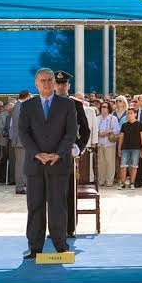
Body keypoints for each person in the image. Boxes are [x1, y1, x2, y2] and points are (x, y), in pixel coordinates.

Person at [19, 68, 78, 259]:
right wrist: (37, 154)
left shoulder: (67, 105)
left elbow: (70, 133)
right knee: (35, 206)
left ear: (55, 83)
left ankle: (61, 246)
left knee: (58, 206)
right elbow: (24, 133)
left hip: (58, 164)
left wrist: (58, 154)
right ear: (36, 84)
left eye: (50, 80)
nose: (46, 84)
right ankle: (35, 247)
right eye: (42, 80)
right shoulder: (27, 106)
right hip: (35, 164)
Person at [54, 71, 91, 238]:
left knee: (68, 192)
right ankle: (54, 228)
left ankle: (69, 228)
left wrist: (78, 147)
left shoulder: (76, 104)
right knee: (52, 192)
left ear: (68, 86)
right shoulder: (47, 103)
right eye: (58, 83)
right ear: (54, 85)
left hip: (68, 153)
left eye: (64, 83)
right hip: (50, 153)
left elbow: (85, 130)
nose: (61, 86)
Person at [117, 107, 142, 189]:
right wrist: (119, 149)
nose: (129, 115)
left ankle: (132, 183)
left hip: (136, 149)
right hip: (125, 148)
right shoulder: (124, 125)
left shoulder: (140, 125)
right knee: (123, 166)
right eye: (128, 113)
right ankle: (122, 183)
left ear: (135, 114)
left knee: (134, 166)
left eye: (131, 113)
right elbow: (121, 138)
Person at [10, 90, 30, 194]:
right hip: (20, 140)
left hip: (22, 140)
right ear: (27, 96)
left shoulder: (20, 106)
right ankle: (19, 187)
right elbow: (21, 125)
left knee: (23, 164)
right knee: (20, 164)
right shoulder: (19, 107)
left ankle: (24, 184)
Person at [96, 101, 120, 186]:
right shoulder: (97, 118)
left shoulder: (113, 118)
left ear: (109, 108)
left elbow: (117, 130)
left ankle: (109, 181)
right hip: (100, 143)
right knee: (101, 162)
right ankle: (101, 180)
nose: (103, 108)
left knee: (110, 162)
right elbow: (94, 129)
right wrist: (99, 133)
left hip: (109, 143)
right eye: (102, 106)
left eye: (105, 107)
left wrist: (108, 131)